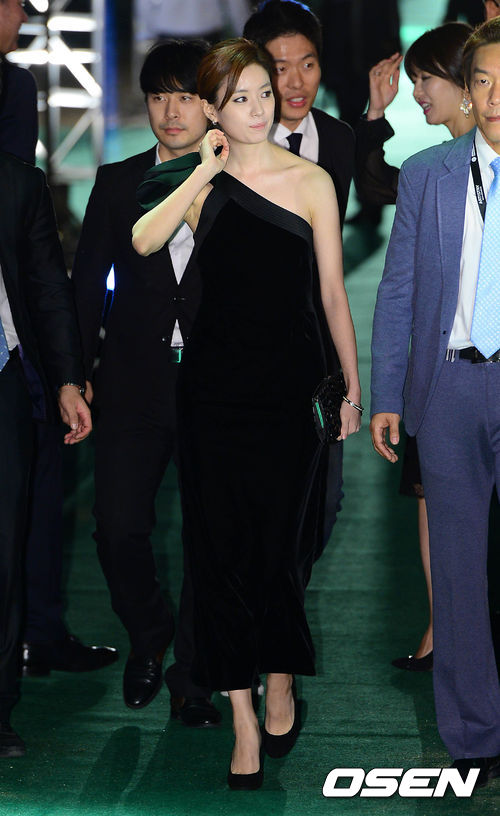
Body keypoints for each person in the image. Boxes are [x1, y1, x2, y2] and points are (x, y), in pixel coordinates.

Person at [133, 36, 361, 789]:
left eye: (265, 93)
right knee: (218, 553)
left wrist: (351, 388)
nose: (260, 108)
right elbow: (144, 240)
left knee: (281, 549)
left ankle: (281, 675)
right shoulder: (199, 180)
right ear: (212, 108)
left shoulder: (313, 181)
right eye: (240, 98)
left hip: (291, 392)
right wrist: (205, 166)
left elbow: (332, 295)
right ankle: (241, 716)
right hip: (212, 394)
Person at [73, 40, 221, 727]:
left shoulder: (243, 180)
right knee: (116, 527)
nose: (171, 111)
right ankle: (149, 631)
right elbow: (85, 287)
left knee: (210, 535)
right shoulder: (116, 181)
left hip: (218, 383)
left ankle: (193, 675)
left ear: (211, 103)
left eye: (185, 96)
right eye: (159, 96)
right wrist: (74, 374)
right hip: (133, 380)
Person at [371, 16, 500, 789]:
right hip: (447, 387)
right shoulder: (427, 173)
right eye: (483, 80)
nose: (495, 96)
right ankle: (474, 733)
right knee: (454, 570)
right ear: (469, 89)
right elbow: (398, 292)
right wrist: (388, 392)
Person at [0, 0, 118, 679]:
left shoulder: (15, 90)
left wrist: (68, 374)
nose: (21, 13)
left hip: (16, 343)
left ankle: (36, 634)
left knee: (34, 491)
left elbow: (23, 219)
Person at [357, 22, 473, 674]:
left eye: (426, 79)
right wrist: (374, 117)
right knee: (434, 505)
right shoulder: (429, 171)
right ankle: (444, 629)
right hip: (440, 378)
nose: (417, 91)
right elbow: (379, 190)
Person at [243, 0, 354, 553]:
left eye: (307, 64)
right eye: (279, 67)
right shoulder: (230, 149)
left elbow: (331, 279)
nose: (295, 82)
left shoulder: (338, 140)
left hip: (316, 354)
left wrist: (350, 380)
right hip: (245, 354)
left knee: (322, 505)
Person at [0, 146, 92, 758]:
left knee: (4, 552)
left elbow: (46, 286)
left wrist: (66, 379)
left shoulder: (18, 185)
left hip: (5, 379)